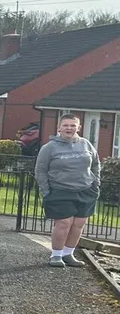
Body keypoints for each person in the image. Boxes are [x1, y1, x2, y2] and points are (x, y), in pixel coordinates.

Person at [34, 114, 101, 267]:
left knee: (78, 223)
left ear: (78, 127)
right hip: (60, 190)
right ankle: (56, 255)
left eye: (72, 125)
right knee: (64, 223)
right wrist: (46, 191)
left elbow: (96, 164)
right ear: (59, 127)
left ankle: (68, 254)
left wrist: (95, 184)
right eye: (65, 125)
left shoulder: (86, 144)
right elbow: (40, 170)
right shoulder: (49, 148)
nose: (69, 128)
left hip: (85, 190)